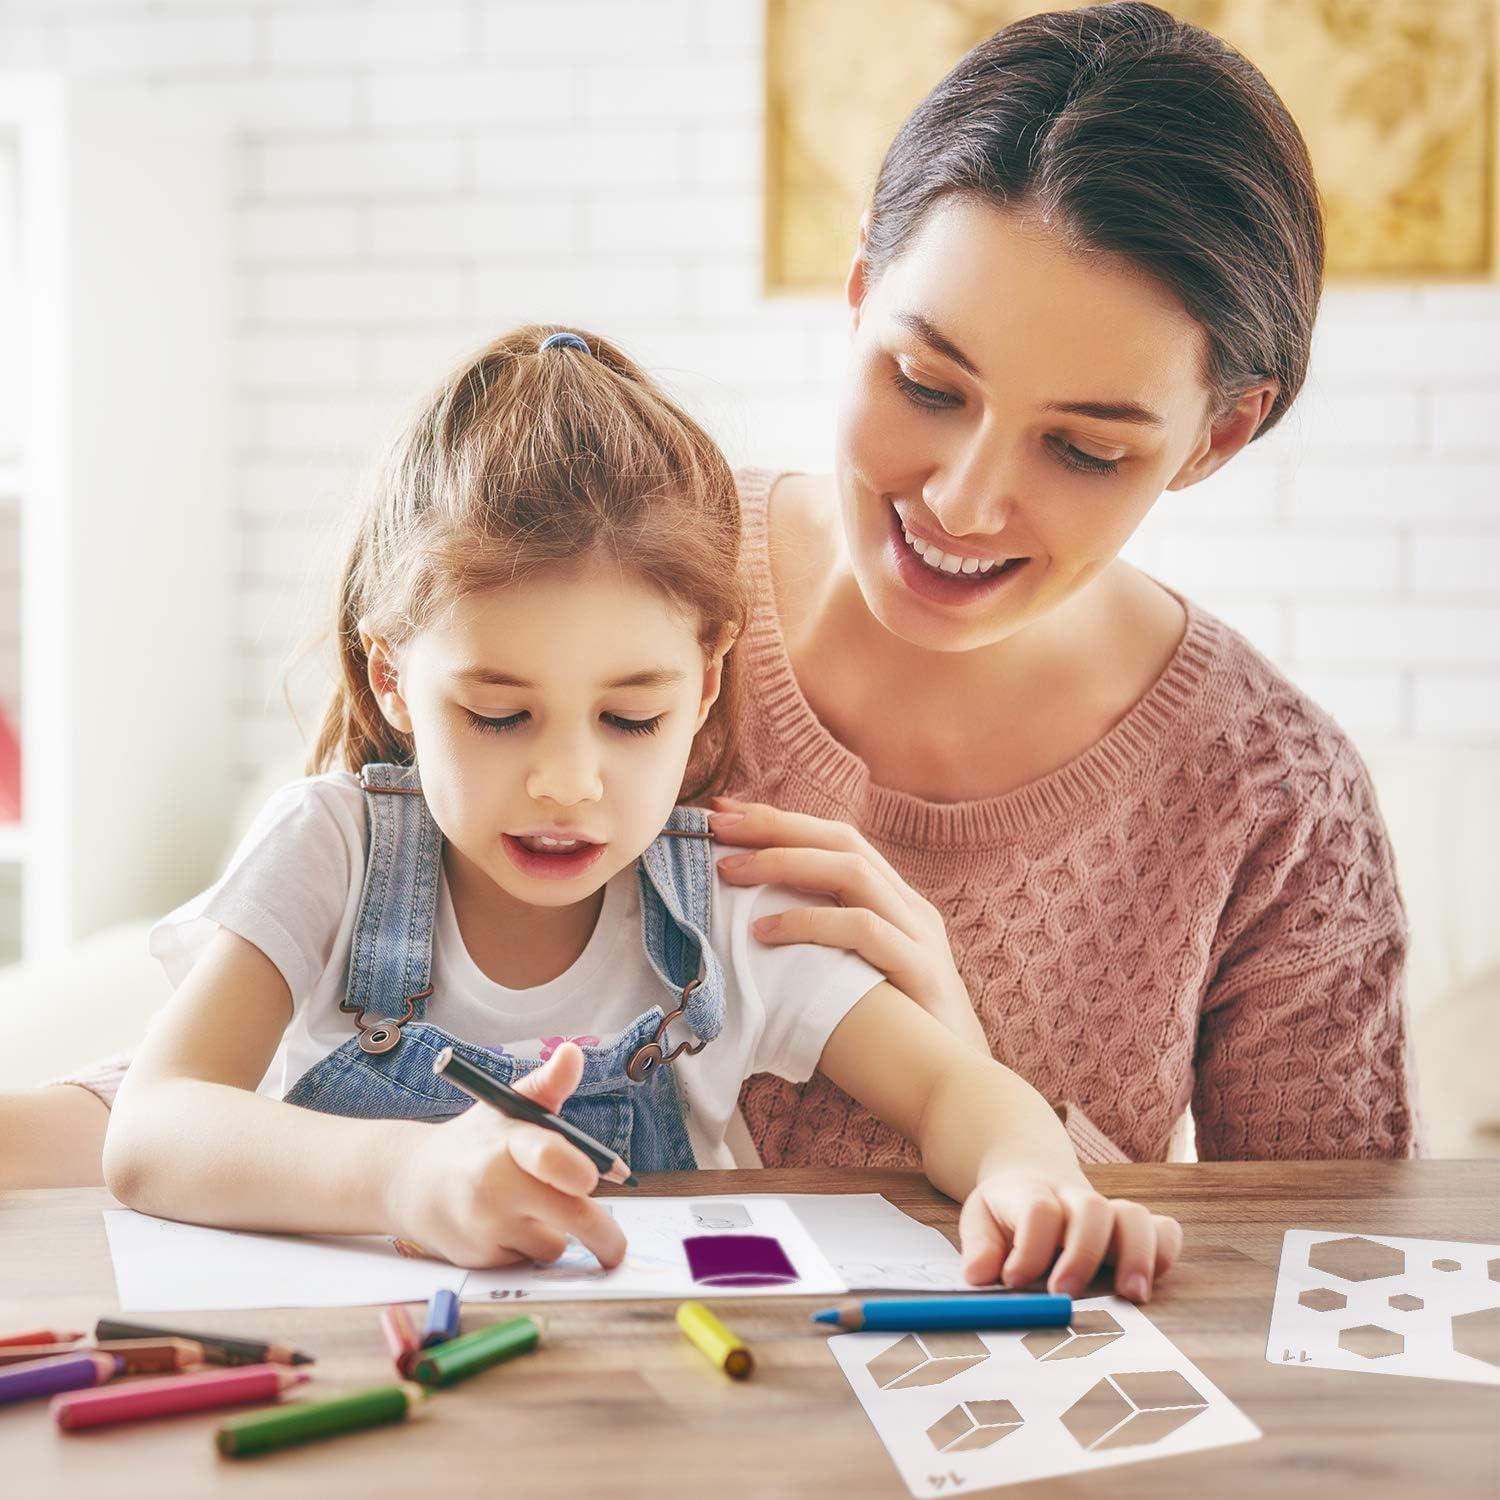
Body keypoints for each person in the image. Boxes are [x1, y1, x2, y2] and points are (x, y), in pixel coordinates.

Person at [3, 2, 1415, 1186]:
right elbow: (302, 1013)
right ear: (859, 295)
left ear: (1218, 438)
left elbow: (1331, 1277)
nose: (968, 498)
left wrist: (983, 1076)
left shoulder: (1274, 804)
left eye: (1084, 447)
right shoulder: (603, 559)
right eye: (926, 383)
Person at [91, 324, 1181, 1294]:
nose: (567, 783)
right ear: (392, 682)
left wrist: (1030, 1176)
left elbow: (956, 1093)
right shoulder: (328, 853)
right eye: (498, 715)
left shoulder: (727, 910)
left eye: (629, 720)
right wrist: (408, 1177)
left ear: (703, 685)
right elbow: (152, 1127)